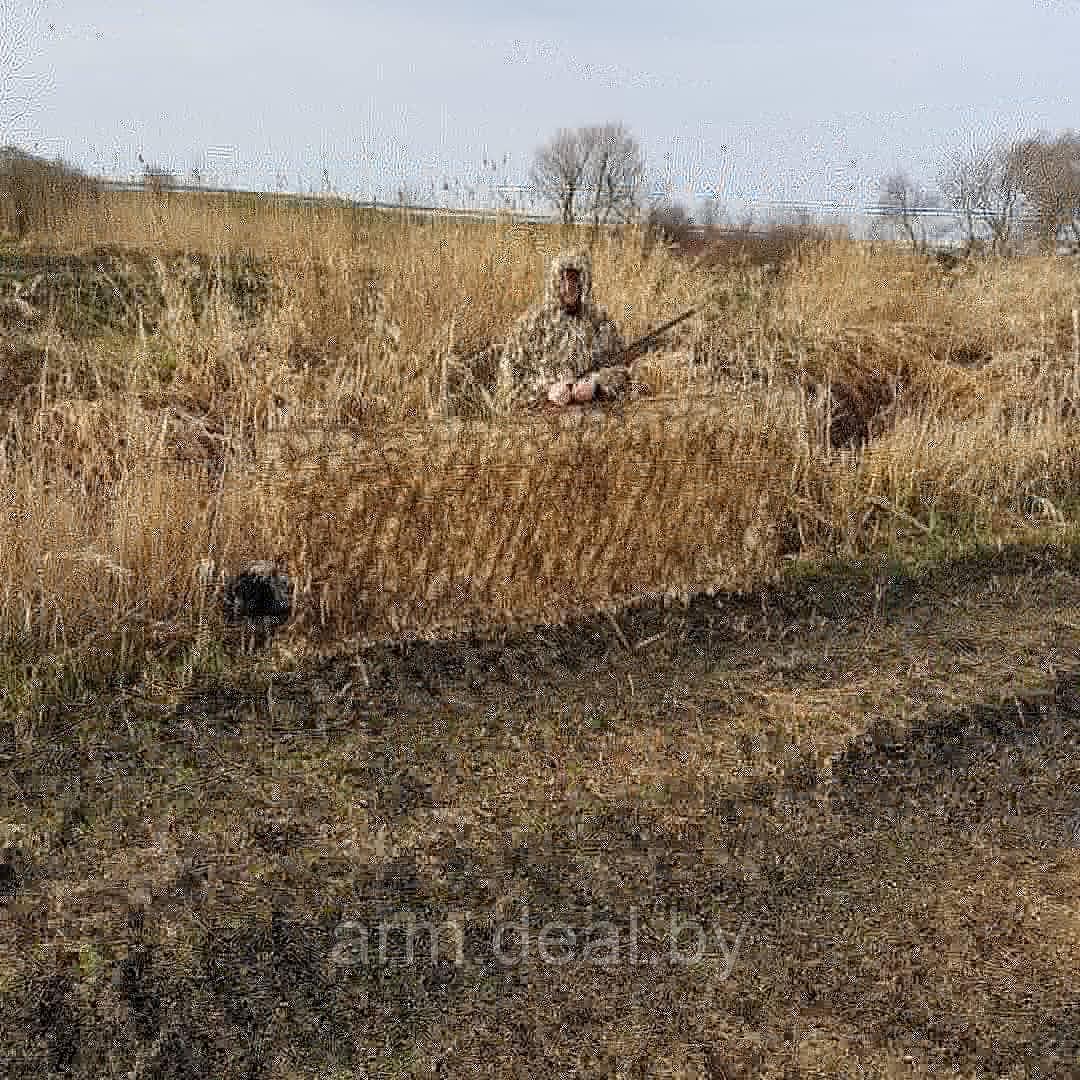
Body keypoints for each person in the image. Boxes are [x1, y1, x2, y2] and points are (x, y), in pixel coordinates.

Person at [496, 249, 632, 411]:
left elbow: (624, 370)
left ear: (584, 282)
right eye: (563, 280)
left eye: (574, 280)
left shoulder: (601, 322)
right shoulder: (531, 324)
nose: (569, 287)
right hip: (540, 418)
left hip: (596, 418)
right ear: (554, 282)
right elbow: (508, 377)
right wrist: (546, 390)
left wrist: (597, 382)